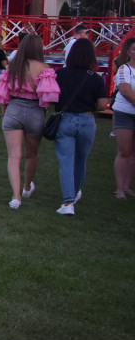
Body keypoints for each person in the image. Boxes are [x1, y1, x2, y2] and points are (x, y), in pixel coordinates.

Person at [0, 34, 59, 209]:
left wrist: (6, 113)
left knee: (13, 157)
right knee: (32, 155)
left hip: (14, 109)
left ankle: (16, 197)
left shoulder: (14, 67)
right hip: (35, 111)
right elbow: (47, 97)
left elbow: (3, 95)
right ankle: (27, 186)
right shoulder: (45, 68)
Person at [53, 39, 108, 215]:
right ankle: (74, 192)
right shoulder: (96, 79)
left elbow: (53, 97)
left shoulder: (60, 74)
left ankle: (68, 202)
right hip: (87, 119)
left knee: (66, 161)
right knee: (81, 160)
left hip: (66, 119)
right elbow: (102, 105)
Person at [110, 37, 135, 199]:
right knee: (124, 151)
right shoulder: (124, 69)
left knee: (133, 153)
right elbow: (125, 91)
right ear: (128, 51)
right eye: (134, 49)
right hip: (124, 113)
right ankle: (119, 188)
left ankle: (127, 186)